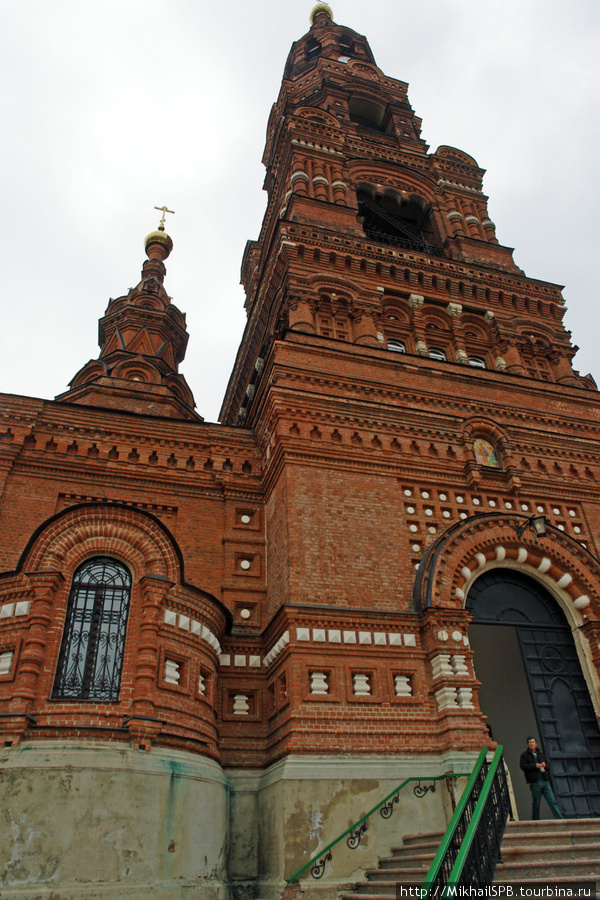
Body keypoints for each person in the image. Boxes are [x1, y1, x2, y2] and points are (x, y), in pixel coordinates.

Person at [519, 736, 564, 820]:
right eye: (530, 742)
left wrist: (544, 765)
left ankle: (559, 818)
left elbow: (549, 766)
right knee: (536, 803)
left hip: (544, 780)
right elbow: (523, 766)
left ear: (536, 744)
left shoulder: (541, 754)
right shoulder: (525, 755)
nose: (531, 744)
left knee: (552, 801)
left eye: (533, 742)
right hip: (535, 782)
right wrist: (535, 766)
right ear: (528, 744)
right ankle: (535, 820)